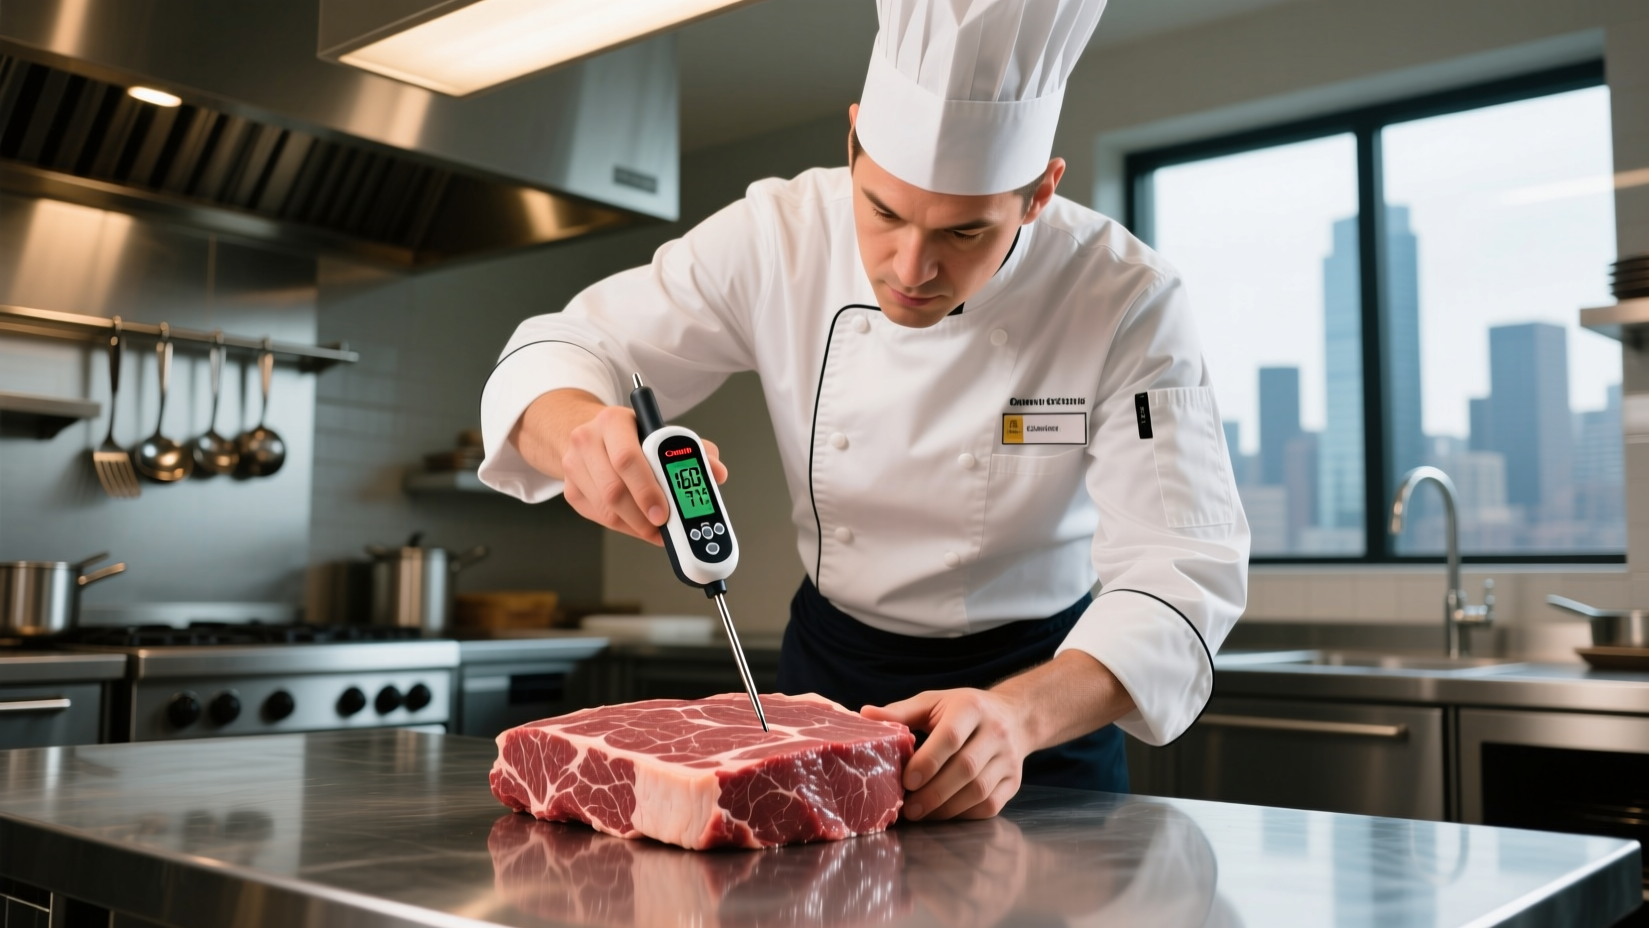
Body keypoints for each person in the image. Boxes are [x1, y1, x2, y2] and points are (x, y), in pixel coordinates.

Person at [479, 0, 1249, 821]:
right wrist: (580, 436)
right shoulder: (779, 236)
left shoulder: (1125, 296)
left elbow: (1182, 566)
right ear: (853, 140)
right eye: (882, 212)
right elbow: (564, 348)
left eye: (963, 233)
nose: (911, 266)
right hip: (829, 684)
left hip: (1039, 706)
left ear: (1038, 195)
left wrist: (1020, 717)